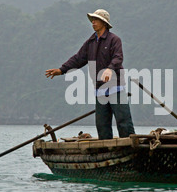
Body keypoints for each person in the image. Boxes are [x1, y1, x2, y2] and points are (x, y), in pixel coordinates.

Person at [45, 9, 135, 140]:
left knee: (123, 121)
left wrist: (110, 69)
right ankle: (107, 151)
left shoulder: (114, 40)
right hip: (100, 89)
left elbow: (118, 58)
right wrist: (61, 70)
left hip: (115, 87)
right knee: (102, 124)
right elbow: (78, 59)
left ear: (103, 23)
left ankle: (130, 147)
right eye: (92, 20)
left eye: (96, 19)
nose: (93, 22)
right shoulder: (90, 42)